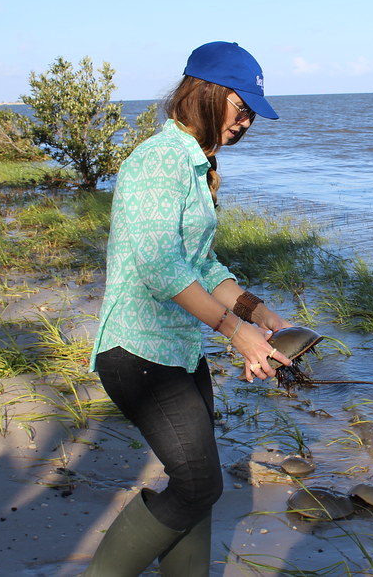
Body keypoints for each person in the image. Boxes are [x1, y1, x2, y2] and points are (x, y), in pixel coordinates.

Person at [82, 41, 293, 576]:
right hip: (137, 353)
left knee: (195, 489)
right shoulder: (160, 161)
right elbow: (160, 268)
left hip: (177, 350)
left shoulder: (196, 165)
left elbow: (199, 264)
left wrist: (258, 313)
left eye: (251, 115)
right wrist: (234, 332)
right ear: (208, 95)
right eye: (240, 108)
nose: (245, 123)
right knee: (200, 484)